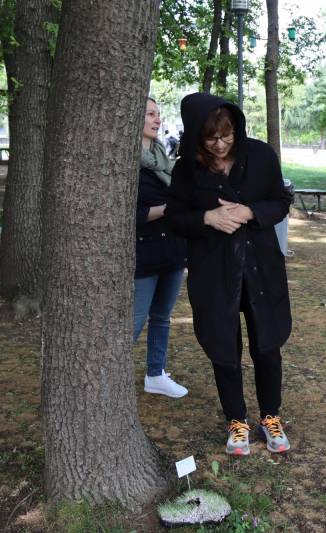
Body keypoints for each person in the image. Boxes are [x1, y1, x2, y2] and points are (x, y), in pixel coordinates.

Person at [166, 93, 292, 456]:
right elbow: (174, 217)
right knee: (223, 346)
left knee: (267, 344)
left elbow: (280, 201)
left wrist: (250, 212)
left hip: (260, 266)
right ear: (197, 137)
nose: (220, 145)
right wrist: (208, 218)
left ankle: (271, 415)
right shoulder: (187, 169)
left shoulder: (261, 155)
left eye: (226, 136)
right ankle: (236, 419)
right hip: (214, 269)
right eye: (211, 139)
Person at [134, 97, 189, 398]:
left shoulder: (163, 157)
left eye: (158, 114)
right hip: (145, 253)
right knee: (134, 321)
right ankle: (109, 378)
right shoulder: (125, 162)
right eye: (150, 114)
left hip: (173, 250)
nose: (157, 119)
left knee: (162, 317)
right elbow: (128, 214)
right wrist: (167, 209)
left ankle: (156, 374)